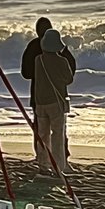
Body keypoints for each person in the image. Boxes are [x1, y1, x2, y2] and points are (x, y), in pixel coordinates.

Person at [30, 28, 77, 173]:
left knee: (43, 135)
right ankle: (58, 167)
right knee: (57, 135)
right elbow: (69, 79)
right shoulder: (62, 61)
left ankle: (43, 165)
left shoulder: (38, 60)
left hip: (40, 102)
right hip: (56, 102)